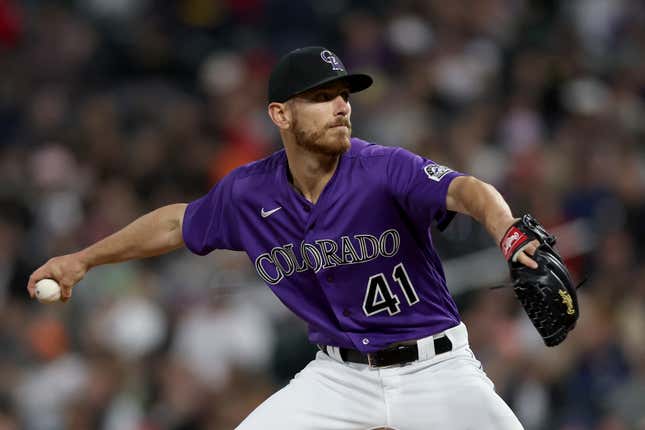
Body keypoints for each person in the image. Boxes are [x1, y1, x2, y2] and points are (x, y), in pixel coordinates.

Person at [28, 46, 537, 429]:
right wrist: (84, 260)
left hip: (435, 366)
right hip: (340, 377)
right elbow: (173, 223)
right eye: (320, 97)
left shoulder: (382, 168)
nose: (340, 106)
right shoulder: (249, 192)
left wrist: (508, 233)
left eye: (342, 95)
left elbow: (468, 191)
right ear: (280, 114)